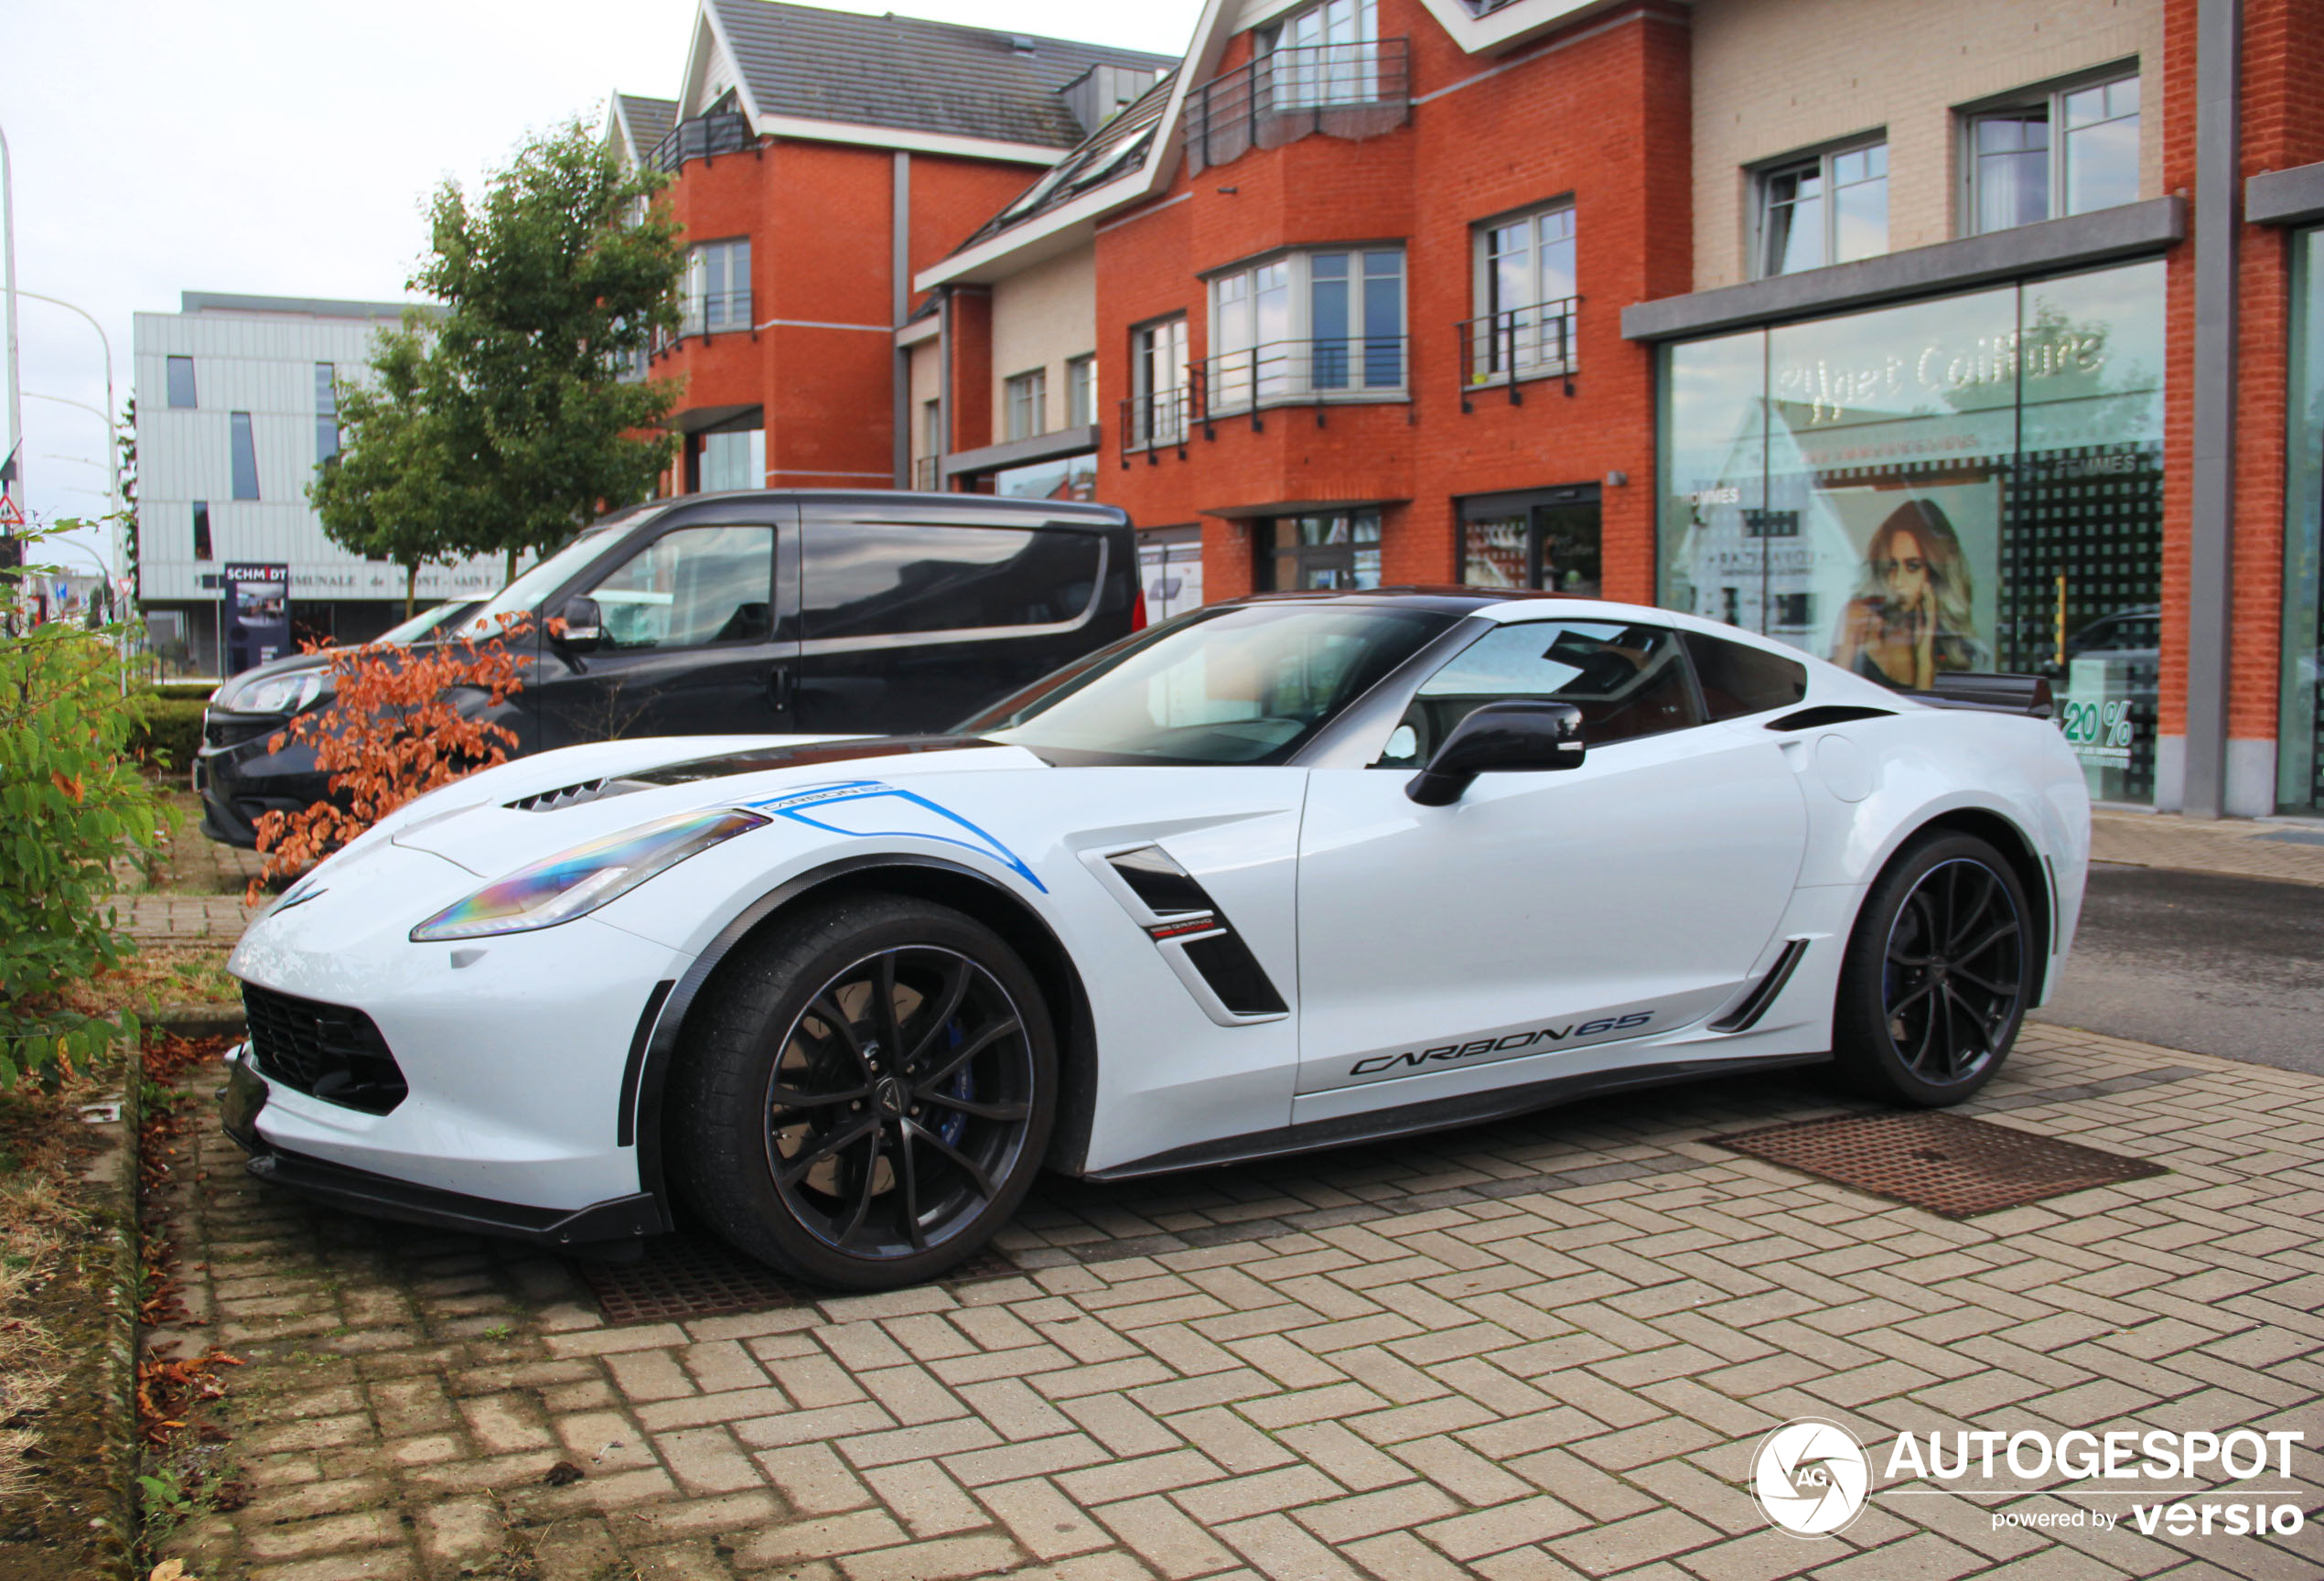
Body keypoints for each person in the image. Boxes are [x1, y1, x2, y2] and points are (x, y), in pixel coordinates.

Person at [1830, 498, 1988, 690]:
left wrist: (1924, 658)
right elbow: (1833, 695)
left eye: (1912, 566)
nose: (1897, 582)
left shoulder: (1955, 648)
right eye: (1892, 565)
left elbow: (1926, 717)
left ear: (1935, 575)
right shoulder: (1861, 618)